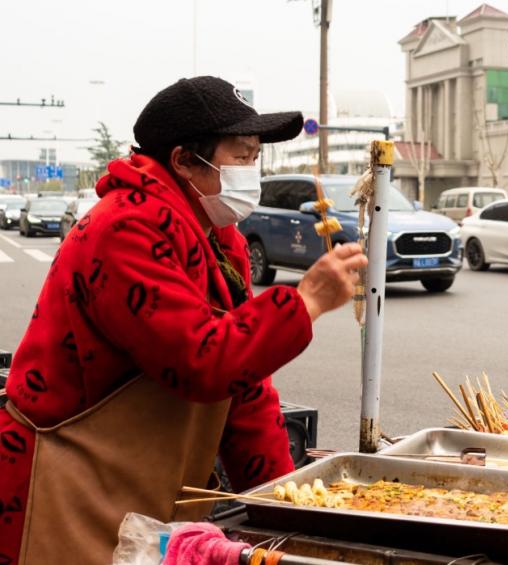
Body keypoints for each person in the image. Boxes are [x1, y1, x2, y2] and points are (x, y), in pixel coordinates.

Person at [0, 76, 367, 564]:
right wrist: (305, 303)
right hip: (63, 486)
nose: (251, 170)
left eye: (256, 156)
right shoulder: (124, 228)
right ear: (183, 161)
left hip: (142, 490)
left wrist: (283, 507)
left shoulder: (218, 237)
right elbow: (202, 361)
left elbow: (244, 387)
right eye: (241, 155)